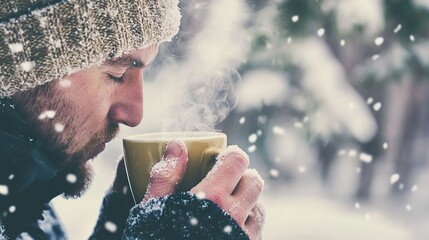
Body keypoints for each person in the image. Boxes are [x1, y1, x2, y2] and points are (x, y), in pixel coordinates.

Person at [0, 0, 265, 239]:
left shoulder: (23, 206)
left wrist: (118, 233)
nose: (134, 115)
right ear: (18, 66)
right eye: (117, 73)